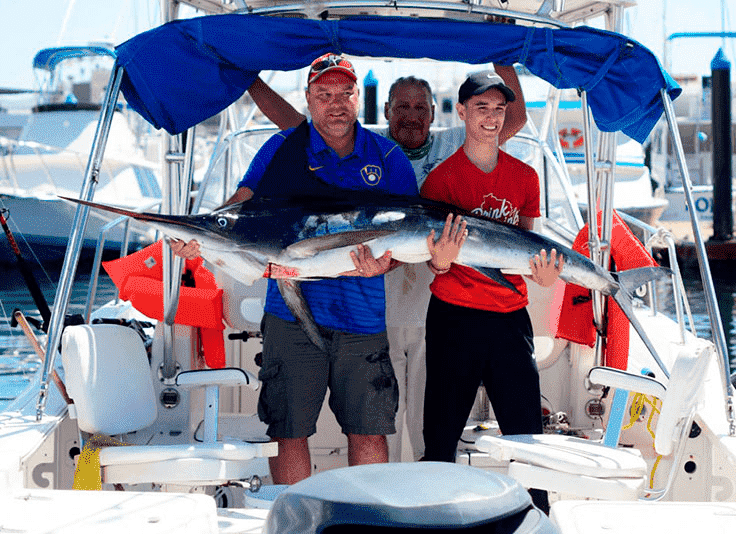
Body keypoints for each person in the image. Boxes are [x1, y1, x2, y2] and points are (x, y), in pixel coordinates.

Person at [247, 64, 526, 462]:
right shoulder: (367, 143)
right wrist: (248, 77)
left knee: (425, 423)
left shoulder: (450, 144)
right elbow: (301, 125)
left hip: (430, 303)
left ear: (435, 112)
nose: (411, 115)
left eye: (420, 107)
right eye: (401, 107)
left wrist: (504, 56)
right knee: (379, 424)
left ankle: (422, 491)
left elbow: (507, 120)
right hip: (381, 305)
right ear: (385, 111)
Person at [173, 53, 418, 484]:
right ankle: (294, 520)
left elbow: (407, 234)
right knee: (288, 431)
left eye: (345, 93)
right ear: (308, 98)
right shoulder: (281, 148)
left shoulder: (388, 157)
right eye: (324, 94)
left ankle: (368, 521)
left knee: (369, 431)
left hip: (362, 318)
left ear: (358, 98)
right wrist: (202, 236)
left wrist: (387, 263)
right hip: (289, 315)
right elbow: (241, 206)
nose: (335, 103)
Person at [419, 70, 563, 509]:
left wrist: (544, 276)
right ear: (462, 112)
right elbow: (432, 261)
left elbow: (527, 248)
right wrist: (441, 261)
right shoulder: (440, 181)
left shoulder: (525, 177)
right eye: (481, 107)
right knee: (440, 436)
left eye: (499, 109)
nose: (492, 117)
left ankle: (537, 518)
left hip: (509, 319)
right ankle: (437, 519)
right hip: (454, 318)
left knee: (527, 437)